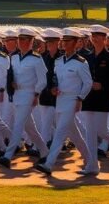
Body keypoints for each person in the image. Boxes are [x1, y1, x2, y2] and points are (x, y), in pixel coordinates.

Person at [36, 27, 92, 176]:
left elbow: (88, 83)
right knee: (75, 135)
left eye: (68, 41)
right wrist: (53, 88)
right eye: (64, 41)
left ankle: (49, 163)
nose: (64, 44)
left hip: (73, 99)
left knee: (60, 132)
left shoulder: (81, 62)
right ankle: (92, 163)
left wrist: (80, 98)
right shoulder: (59, 61)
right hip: (60, 99)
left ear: (75, 43)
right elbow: (55, 78)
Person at [0, 26, 49, 168]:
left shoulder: (36, 59)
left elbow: (43, 80)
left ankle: (8, 155)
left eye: (25, 39)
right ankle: (44, 151)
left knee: (18, 124)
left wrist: (36, 93)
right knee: (29, 127)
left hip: (29, 94)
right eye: (20, 39)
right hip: (16, 95)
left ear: (31, 41)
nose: (21, 42)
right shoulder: (13, 57)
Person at [80, 24, 109, 176]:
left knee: (101, 130)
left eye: (98, 36)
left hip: (103, 98)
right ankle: (92, 165)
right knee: (90, 132)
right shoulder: (86, 57)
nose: (95, 38)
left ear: (105, 39)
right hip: (88, 98)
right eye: (93, 36)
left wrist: (102, 85)